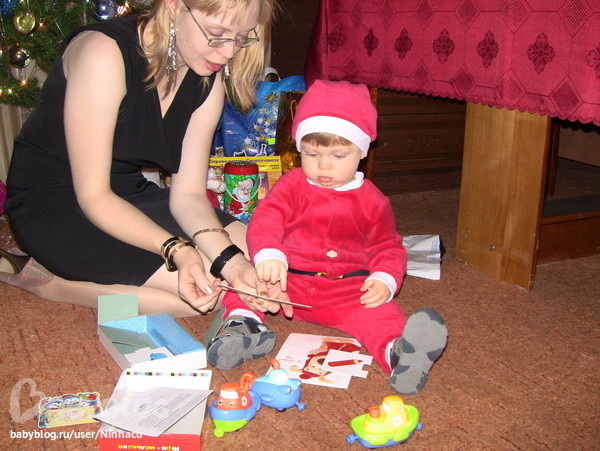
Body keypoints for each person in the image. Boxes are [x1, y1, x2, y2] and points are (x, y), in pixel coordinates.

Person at [2, 0, 289, 318]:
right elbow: (94, 195)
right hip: (52, 204)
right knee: (199, 297)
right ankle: (52, 285)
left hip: (127, 192)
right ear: (175, 6)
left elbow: (189, 196)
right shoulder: (103, 54)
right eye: (216, 33)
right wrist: (177, 249)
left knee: (256, 261)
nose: (228, 52)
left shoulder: (208, 78)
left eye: (241, 37)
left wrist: (234, 267)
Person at [204, 79, 448, 395]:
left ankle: (398, 354)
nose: (323, 166)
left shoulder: (373, 201)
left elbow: (387, 246)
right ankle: (242, 327)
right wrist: (269, 254)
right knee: (245, 285)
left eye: (338, 156)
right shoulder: (292, 185)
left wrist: (384, 279)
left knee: (382, 314)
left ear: (362, 152)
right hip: (286, 285)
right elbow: (266, 218)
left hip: (348, 294)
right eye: (311, 153)